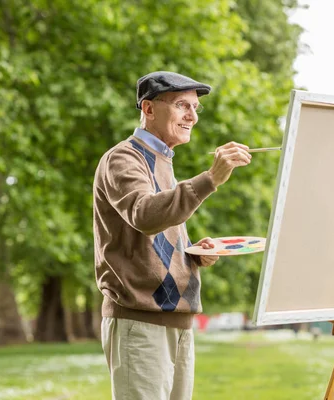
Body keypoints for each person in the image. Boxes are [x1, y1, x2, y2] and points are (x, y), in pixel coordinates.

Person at [93, 71, 252, 400]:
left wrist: (191, 253)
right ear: (149, 109)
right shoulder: (123, 158)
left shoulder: (163, 161)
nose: (192, 115)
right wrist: (210, 179)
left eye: (195, 108)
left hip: (176, 322)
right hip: (140, 322)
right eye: (182, 105)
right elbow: (145, 215)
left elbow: (156, 233)